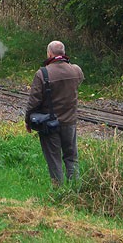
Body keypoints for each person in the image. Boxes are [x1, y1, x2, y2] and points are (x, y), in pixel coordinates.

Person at [25, 40, 85, 185]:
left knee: (54, 159)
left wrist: (28, 119)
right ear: (63, 53)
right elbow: (78, 83)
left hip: (50, 124)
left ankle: (59, 190)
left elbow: (34, 100)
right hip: (70, 122)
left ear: (49, 53)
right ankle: (75, 187)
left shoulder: (43, 73)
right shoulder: (76, 70)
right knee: (71, 157)